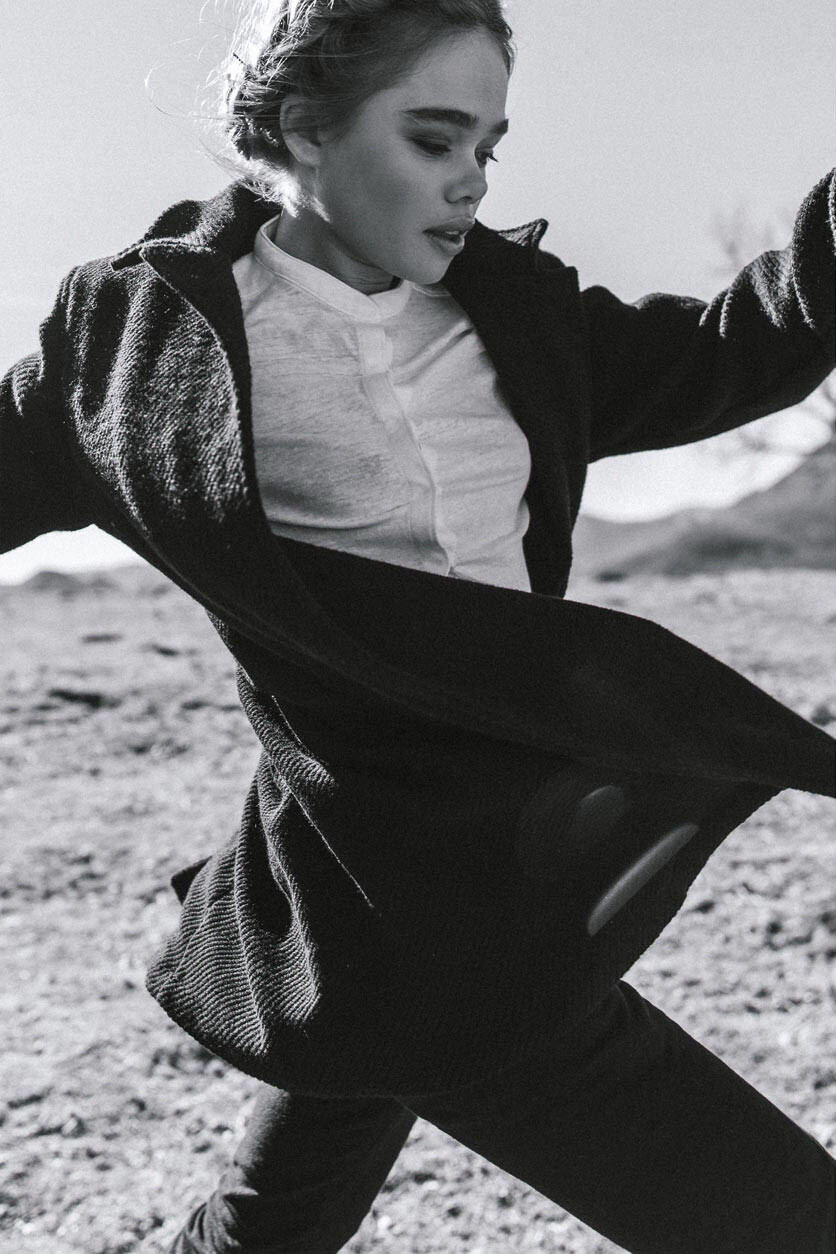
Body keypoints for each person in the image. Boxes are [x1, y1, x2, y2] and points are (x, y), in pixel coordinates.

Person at [2, 1, 834, 1250]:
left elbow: (745, 343)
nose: (472, 180)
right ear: (304, 128)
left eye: (487, 147)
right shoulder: (138, 345)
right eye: (434, 139)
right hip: (418, 908)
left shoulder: (518, 320)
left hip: (459, 877)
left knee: (266, 1226)